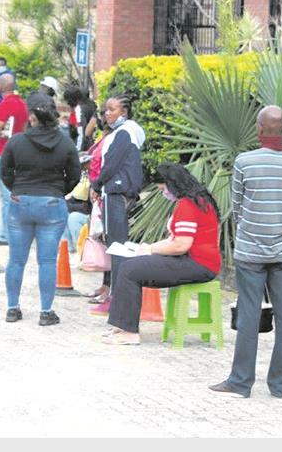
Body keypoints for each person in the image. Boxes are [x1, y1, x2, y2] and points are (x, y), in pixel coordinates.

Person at [210, 106, 282, 398]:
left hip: (250, 252)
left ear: (258, 129)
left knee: (249, 314)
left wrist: (255, 226)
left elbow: (238, 206)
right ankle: (280, 385)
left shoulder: (245, 162)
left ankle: (240, 382)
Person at [101, 163, 222, 345]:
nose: (164, 193)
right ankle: (121, 327)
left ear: (172, 184)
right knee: (132, 267)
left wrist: (150, 250)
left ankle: (128, 331)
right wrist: (148, 247)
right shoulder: (200, 199)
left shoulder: (187, 205)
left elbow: (181, 244)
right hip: (200, 262)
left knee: (129, 269)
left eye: (163, 189)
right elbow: (176, 240)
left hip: (196, 263)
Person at [0, 92, 81, 326]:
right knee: (47, 261)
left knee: (16, 260)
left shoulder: (16, 141)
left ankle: (13, 309)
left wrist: (18, 189)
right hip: (52, 204)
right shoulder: (65, 142)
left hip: (20, 203)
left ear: (33, 116)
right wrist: (57, 191)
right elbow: (74, 175)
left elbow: (5, 172)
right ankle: (46, 312)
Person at [89, 95, 146, 312]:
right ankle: (112, 293)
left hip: (117, 191)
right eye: (105, 110)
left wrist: (96, 183)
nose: (107, 113)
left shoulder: (124, 133)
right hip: (116, 191)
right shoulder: (123, 132)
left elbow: (111, 163)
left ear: (124, 112)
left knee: (117, 246)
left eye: (112, 109)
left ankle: (117, 299)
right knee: (115, 244)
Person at [0, 73, 28, 245]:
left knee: (6, 195)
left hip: (2, 153)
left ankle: (4, 235)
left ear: (0, 87)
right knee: (15, 193)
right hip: (18, 152)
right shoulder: (22, 105)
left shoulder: (4, 106)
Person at [63, 153, 93, 262]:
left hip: (91, 214)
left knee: (73, 218)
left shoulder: (93, 179)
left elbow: (88, 207)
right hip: (78, 207)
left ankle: (82, 252)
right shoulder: (78, 177)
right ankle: (69, 250)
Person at [64, 85, 98, 152]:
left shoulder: (79, 110)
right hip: (91, 143)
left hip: (83, 147)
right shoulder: (92, 105)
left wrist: (78, 151)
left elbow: (81, 132)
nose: (67, 103)